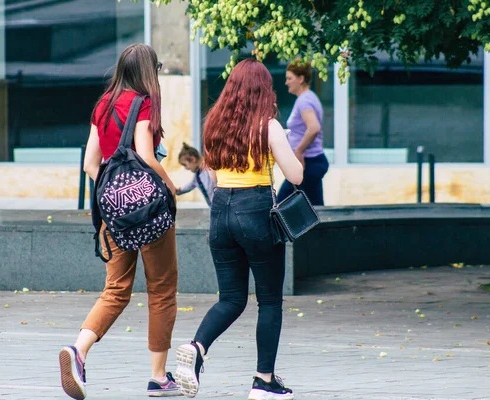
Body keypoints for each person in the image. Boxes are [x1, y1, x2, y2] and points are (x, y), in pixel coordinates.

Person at [173, 59, 303, 400]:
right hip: (255, 211)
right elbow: (296, 176)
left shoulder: (215, 126)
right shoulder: (269, 126)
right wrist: (283, 146)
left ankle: (197, 347)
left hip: (220, 214)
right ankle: (263, 381)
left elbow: (214, 177)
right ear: (264, 90)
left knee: (231, 298)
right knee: (269, 300)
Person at [58, 43, 181, 399]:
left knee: (115, 290)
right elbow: (145, 154)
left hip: (113, 215)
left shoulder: (103, 104)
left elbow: (90, 165)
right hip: (149, 214)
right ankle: (158, 378)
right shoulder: (145, 103)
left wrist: (116, 196)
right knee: (161, 289)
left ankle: (78, 351)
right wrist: (168, 188)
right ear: (148, 71)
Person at [277, 61, 329, 206]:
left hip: (307, 164)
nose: (286, 83)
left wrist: (299, 151)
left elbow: (314, 127)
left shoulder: (304, 101)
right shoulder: (309, 97)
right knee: (316, 209)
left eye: (289, 78)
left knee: (280, 208)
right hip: (312, 163)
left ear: (301, 79)